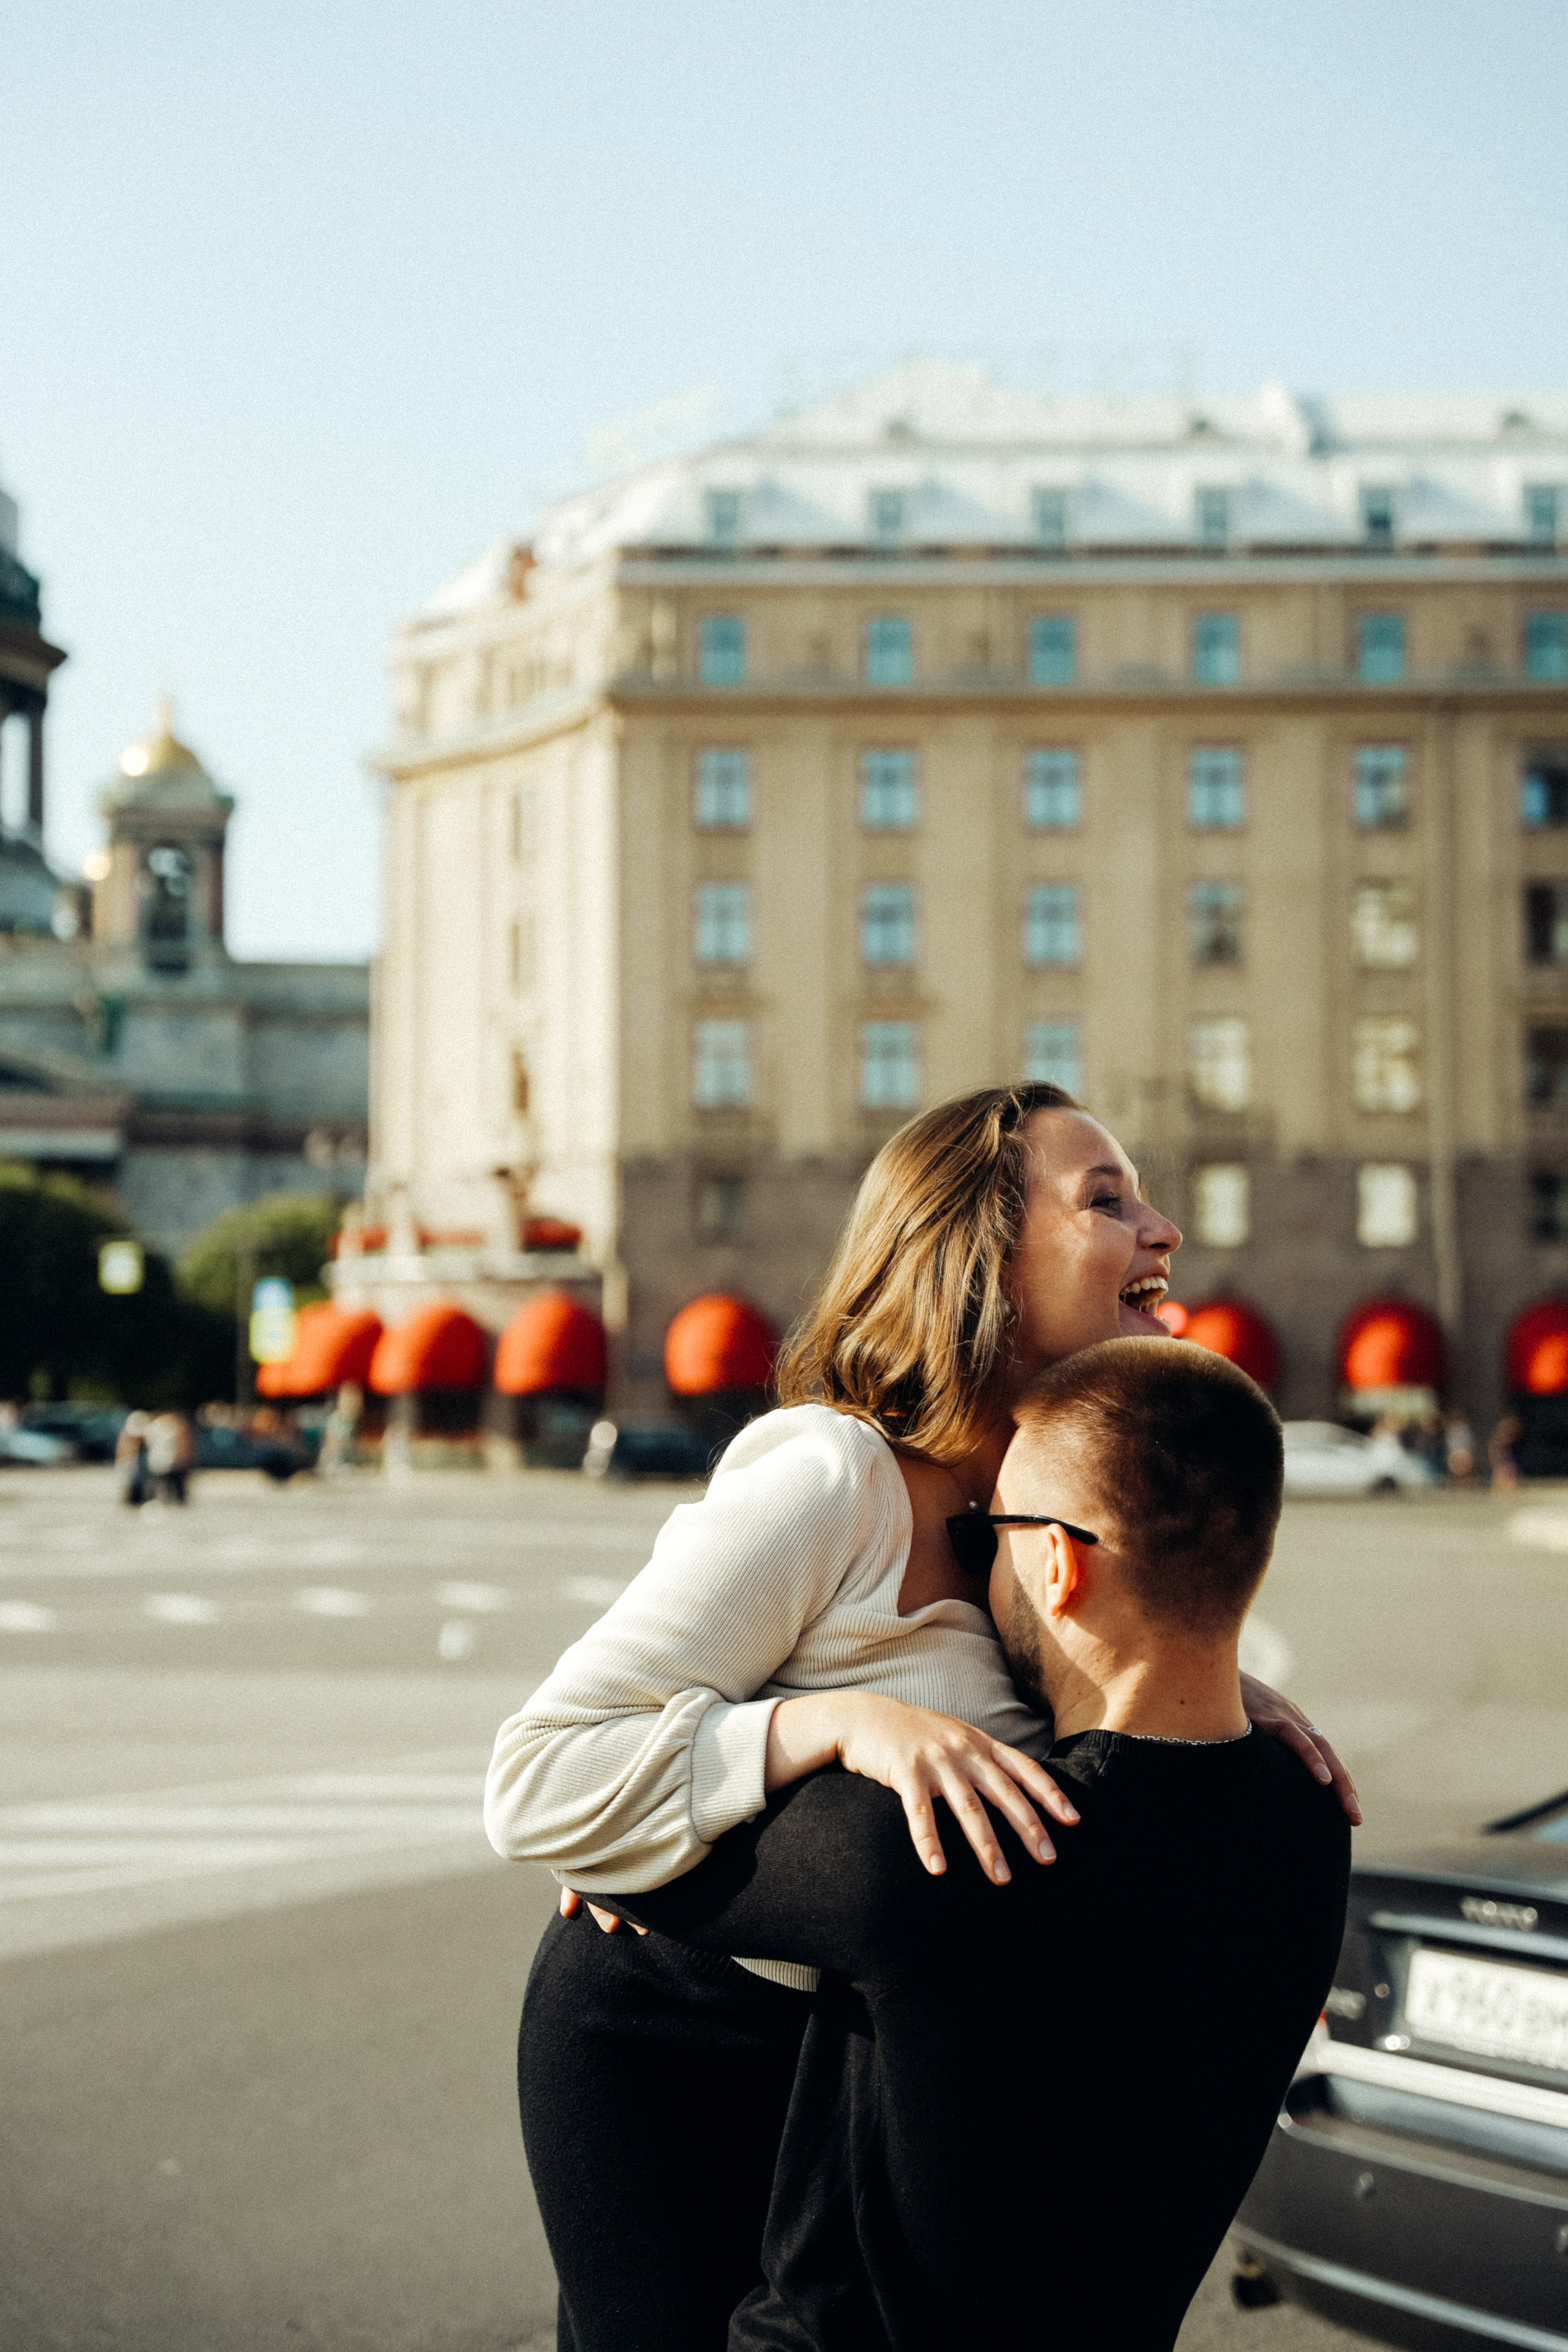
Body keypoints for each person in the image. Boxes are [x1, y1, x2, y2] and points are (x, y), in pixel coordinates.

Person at [487, 1085, 1356, 2352]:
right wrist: (830, 1730)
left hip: (844, 2061)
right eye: (1106, 1199)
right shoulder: (834, 1479)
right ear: (975, 1254)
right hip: (675, 2043)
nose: (1163, 1230)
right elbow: (540, 1774)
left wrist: (1207, 1679)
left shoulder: (1036, 1509)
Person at [611, 1340, 1352, 2350]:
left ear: (1057, 1564)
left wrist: (828, 1725)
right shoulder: (1312, 1816)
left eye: (982, 1538)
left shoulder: (944, 1845)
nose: (975, 1569)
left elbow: (603, 1817)